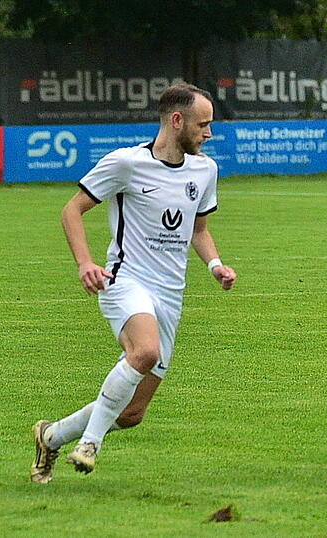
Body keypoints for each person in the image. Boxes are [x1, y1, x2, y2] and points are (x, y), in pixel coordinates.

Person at [29, 83, 236, 483]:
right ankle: (90, 443)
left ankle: (50, 435)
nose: (209, 133)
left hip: (171, 295)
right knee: (144, 351)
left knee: (132, 413)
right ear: (177, 121)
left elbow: (199, 230)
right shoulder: (126, 163)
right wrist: (85, 262)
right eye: (203, 124)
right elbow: (72, 211)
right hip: (126, 280)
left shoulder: (204, 169)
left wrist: (215, 266)